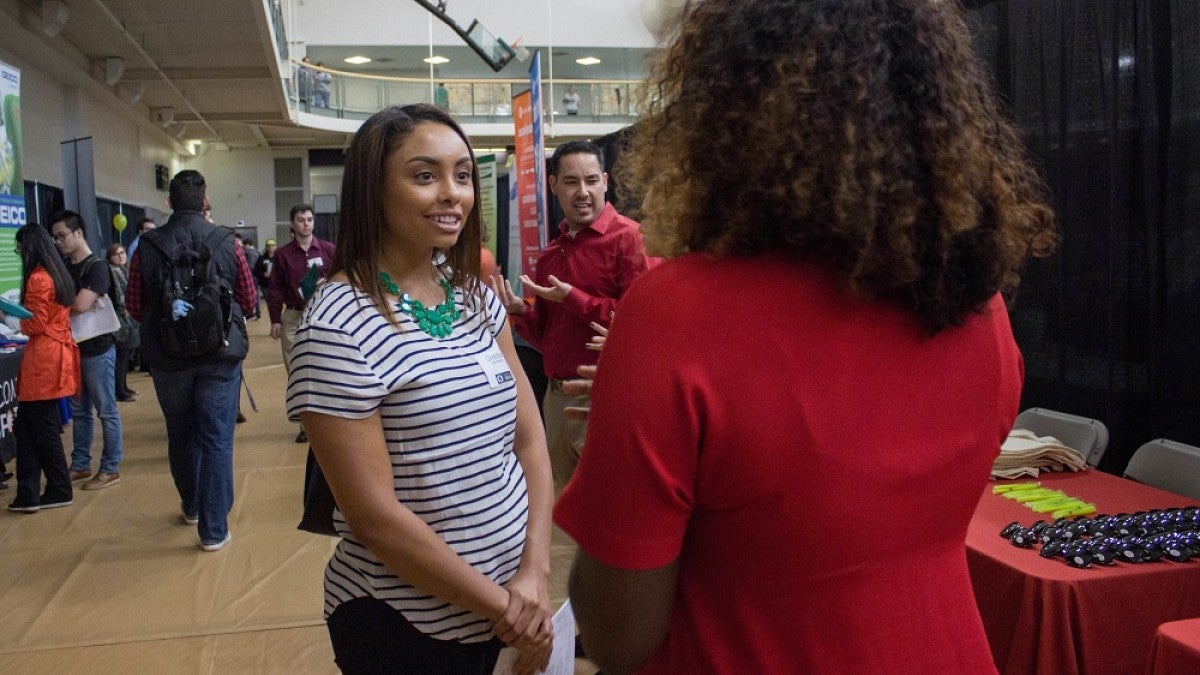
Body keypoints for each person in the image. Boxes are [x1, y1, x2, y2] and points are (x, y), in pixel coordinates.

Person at [553, 1, 1058, 673]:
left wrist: (619, 447)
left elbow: (618, 635)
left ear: (724, 112)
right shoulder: (978, 307)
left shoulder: (677, 318)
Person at [286, 103, 554, 674]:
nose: (452, 194)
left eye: (462, 175)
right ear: (373, 190)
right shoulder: (337, 324)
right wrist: (508, 610)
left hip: (517, 596)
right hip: (407, 626)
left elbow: (529, 441)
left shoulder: (475, 296)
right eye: (424, 175)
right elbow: (375, 518)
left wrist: (535, 571)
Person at [492, 140, 653, 487]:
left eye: (591, 180)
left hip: (605, 393)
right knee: (562, 516)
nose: (583, 192)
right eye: (571, 182)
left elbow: (642, 321)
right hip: (555, 397)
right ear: (553, 186)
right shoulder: (552, 254)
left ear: (605, 182)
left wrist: (574, 298)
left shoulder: (629, 240)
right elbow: (548, 338)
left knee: (611, 510)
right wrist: (520, 313)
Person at [126, 169, 257, 552]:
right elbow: (249, 301)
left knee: (181, 434)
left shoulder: (148, 245)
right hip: (220, 357)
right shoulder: (226, 242)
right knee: (217, 438)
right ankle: (214, 531)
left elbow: (134, 306)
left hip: (168, 360)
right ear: (205, 202)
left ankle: (192, 506)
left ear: (168, 201)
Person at [5, 224, 81, 513]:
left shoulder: (38, 279)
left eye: (20, 248)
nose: (19, 253)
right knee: (28, 428)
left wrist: (7, 317)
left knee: (43, 429)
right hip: (53, 354)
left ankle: (58, 488)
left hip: (44, 359)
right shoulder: (56, 273)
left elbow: (35, 324)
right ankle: (29, 492)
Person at [51, 210, 125, 491]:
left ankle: (111, 466)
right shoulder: (63, 266)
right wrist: (68, 302)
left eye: (63, 236)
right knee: (80, 411)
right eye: (55, 238)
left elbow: (80, 305)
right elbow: (70, 301)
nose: (59, 242)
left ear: (78, 232)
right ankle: (80, 464)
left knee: (106, 409)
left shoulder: (97, 267)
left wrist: (63, 303)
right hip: (72, 347)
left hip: (97, 347)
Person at [268, 204, 335, 444]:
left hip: (324, 315)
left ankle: (330, 418)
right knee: (297, 370)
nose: (306, 224)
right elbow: (274, 288)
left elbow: (344, 278)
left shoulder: (329, 250)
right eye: (300, 220)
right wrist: (275, 318)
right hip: (294, 316)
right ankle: (306, 425)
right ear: (292, 224)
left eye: (309, 219)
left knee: (325, 367)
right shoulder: (284, 255)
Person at [106, 243, 137, 401]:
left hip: (129, 317)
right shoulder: (114, 271)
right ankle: (120, 390)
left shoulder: (127, 270)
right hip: (120, 318)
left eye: (123, 253)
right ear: (110, 257)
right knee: (121, 356)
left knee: (126, 356)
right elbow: (119, 296)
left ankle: (123, 386)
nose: (121, 256)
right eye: (117, 254)